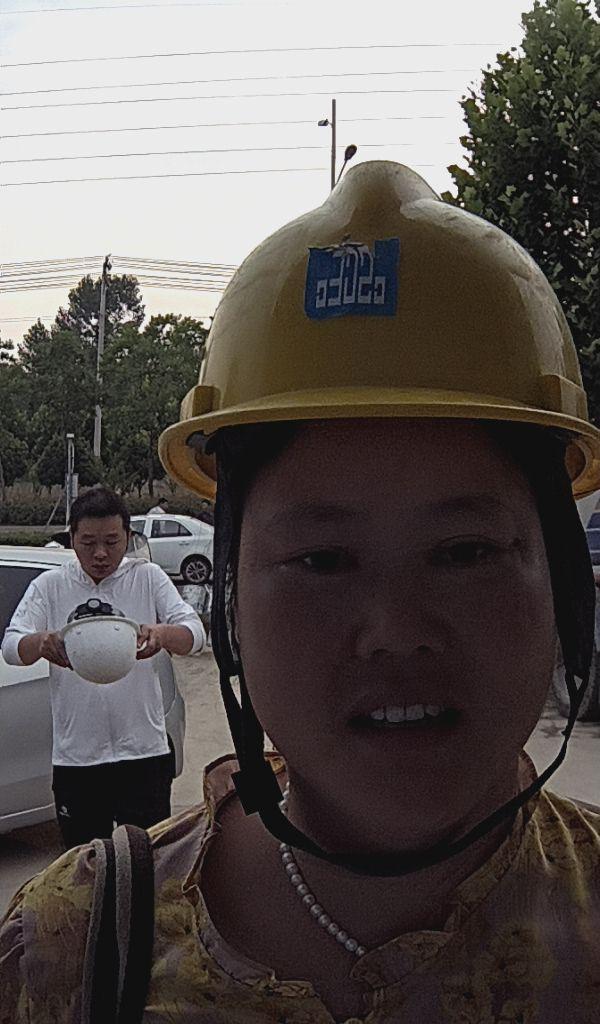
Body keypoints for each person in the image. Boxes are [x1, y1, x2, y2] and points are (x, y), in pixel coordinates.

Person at [2, 161, 600, 1022]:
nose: (395, 630)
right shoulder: (72, 951)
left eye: (465, 551)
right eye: (322, 560)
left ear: (563, 583)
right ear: (234, 595)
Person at [1, 486, 205, 848]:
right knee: (84, 865)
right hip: (77, 758)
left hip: (144, 753)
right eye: (88, 542)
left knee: (147, 859)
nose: (100, 553)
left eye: (112, 542)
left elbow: (195, 634)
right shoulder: (51, 586)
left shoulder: (147, 578)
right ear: (72, 539)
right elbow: (11, 648)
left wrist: (161, 634)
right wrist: (42, 642)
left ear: (128, 537)